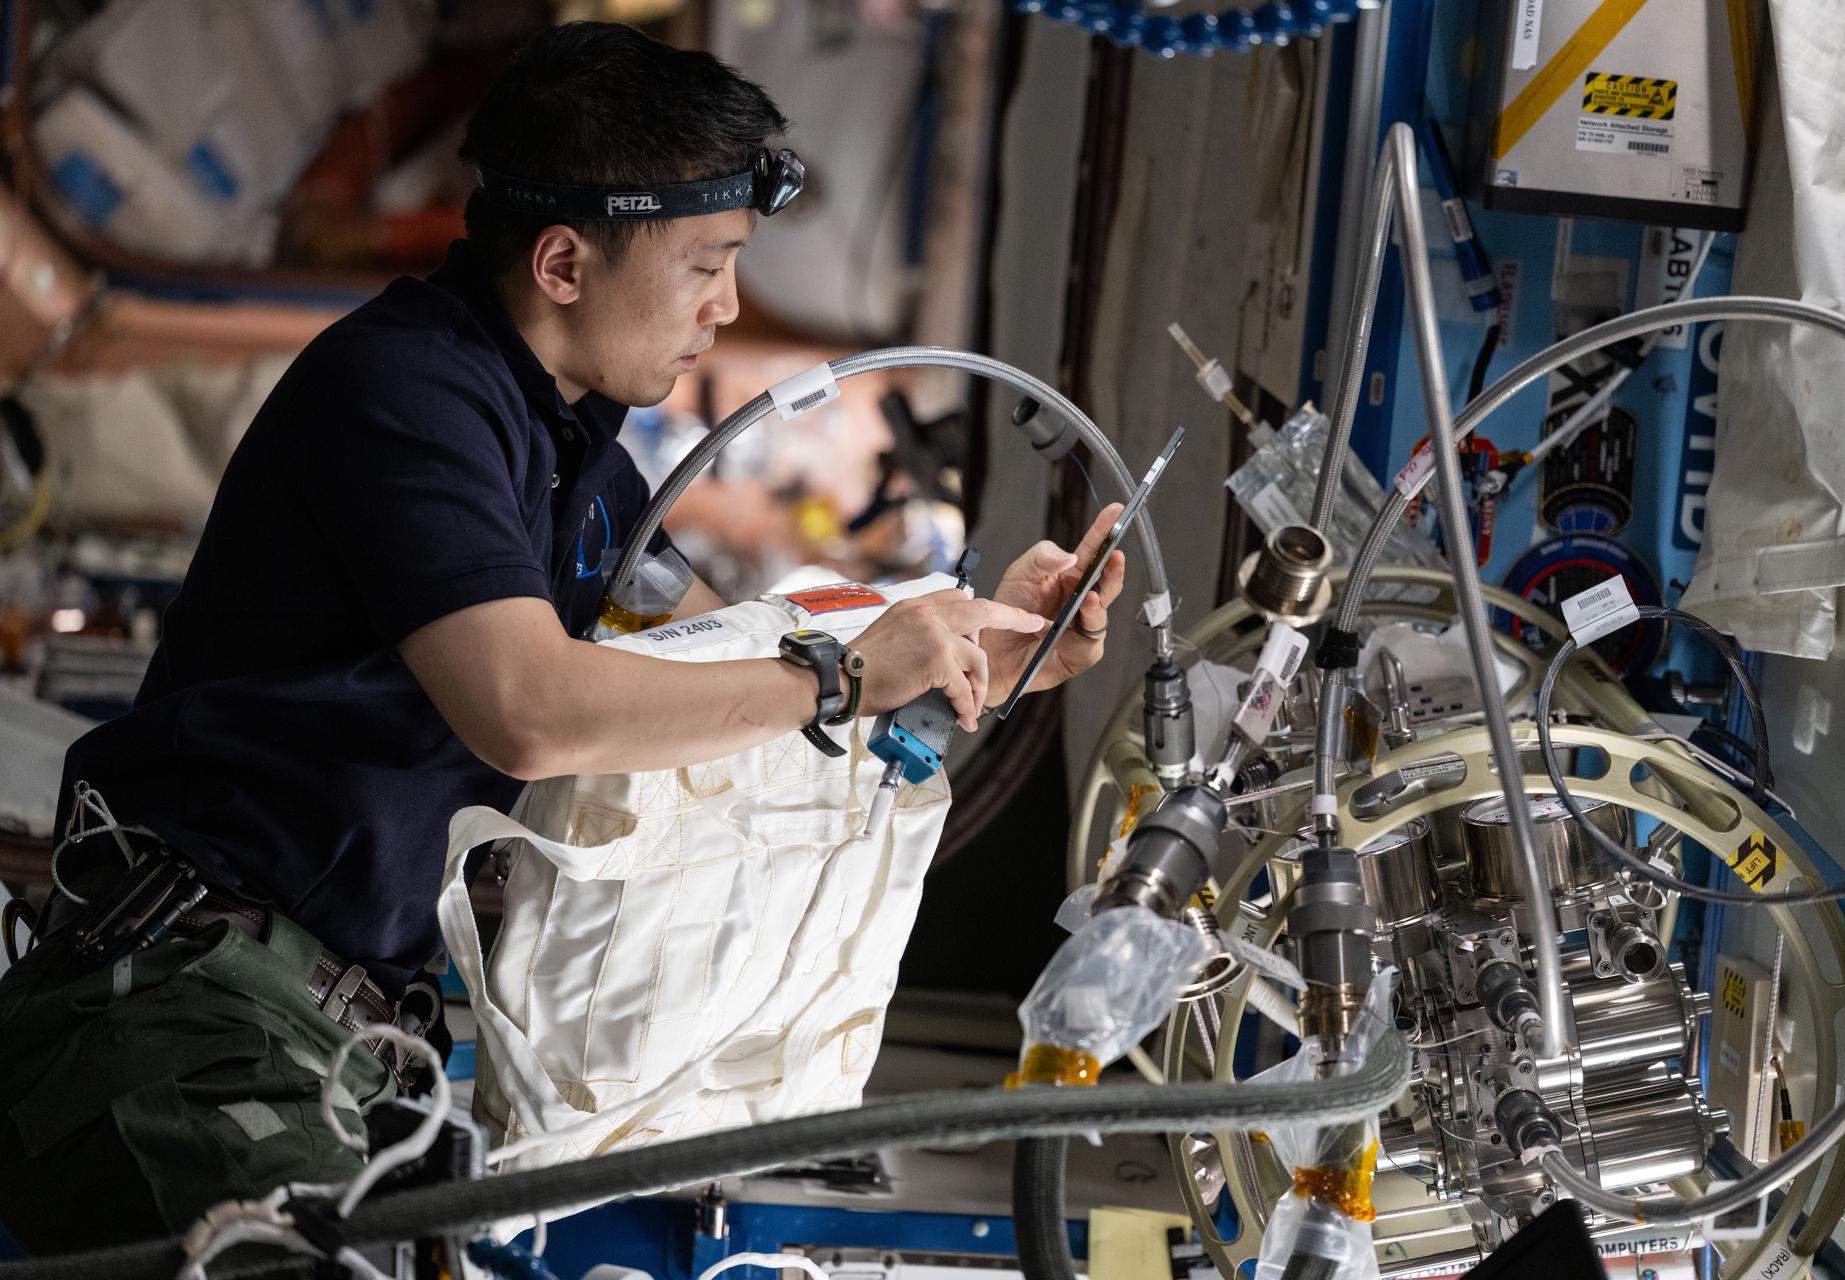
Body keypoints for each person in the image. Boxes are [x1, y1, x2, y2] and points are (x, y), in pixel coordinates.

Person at [0, 21, 1126, 1254]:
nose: (730, 305)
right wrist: (847, 672)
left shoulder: (573, 457)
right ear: (562, 262)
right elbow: (530, 707)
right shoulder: (409, 395)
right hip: (190, 1020)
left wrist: (975, 648)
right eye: (705, 263)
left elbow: (724, 656)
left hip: (339, 1042)